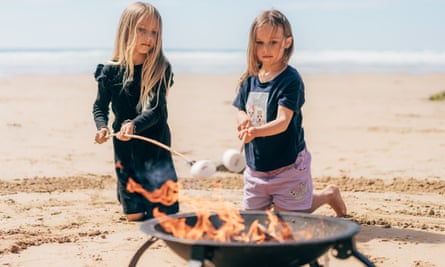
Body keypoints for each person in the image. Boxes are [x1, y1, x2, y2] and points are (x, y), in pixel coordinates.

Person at [232, 9, 347, 217]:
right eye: (260, 42)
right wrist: (243, 120)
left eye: (273, 42)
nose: (266, 48)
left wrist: (255, 132)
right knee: (252, 219)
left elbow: (283, 121)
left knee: (292, 216)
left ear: (287, 42)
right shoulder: (250, 78)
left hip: (288, 165)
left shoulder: (290, 79)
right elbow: (239, 108)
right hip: (256, 166)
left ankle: (328, 195)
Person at [92, 2, 179, 221]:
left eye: (154, 32)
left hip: (155, 145)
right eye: (142, 30)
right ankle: (127, 196)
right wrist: (102, 128)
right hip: (126, 149)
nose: (149, 37)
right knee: (135, 216)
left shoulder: (160, 67)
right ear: (126, 29)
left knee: (164, 215)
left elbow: (157, 110)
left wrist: (134, 125)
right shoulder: (110, 70)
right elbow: (99, 107)